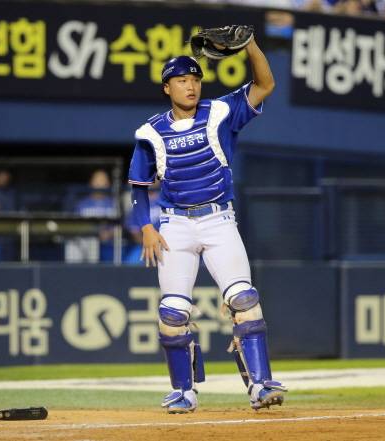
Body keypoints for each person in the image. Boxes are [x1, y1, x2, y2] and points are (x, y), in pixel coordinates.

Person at [127, 39, 287, 413]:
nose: (191, 85)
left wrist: (250, 46)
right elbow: (138, 185)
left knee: (244, 300)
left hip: (218, 219)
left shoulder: (220, 112)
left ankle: (260, 384)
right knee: (172, 313)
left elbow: (265, 84)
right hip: (174, 225)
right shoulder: (151, 132)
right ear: (167, 88)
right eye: (181, 80)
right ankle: (183, 391)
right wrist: (146, 226)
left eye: (195, 79)